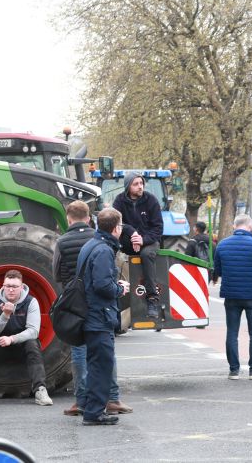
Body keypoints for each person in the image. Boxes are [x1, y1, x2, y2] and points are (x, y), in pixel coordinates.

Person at [52, 200, 132, 417]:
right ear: (89, 219)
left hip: (76, 304)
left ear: (68, 218)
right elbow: (104, 282)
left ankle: (81, 400)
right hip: (98, 307)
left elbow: (56, 273)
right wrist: (118, 289)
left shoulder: (63, 241)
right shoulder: (101, 246)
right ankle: (111, 398)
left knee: (81, 354)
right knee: (104, 357)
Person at [0, 269, 53, 406]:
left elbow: (33, 331)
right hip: (0, 345)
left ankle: (40, 390)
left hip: (21, 345)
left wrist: (12, 339)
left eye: (14, 287)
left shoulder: (31, 302)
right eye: (8, 286)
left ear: (21, 287)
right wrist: (5, 315)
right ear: (3, 286)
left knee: (32, 343)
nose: (11, 290)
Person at [78, 207, 130, 426]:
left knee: (95, 364)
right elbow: (101, 286)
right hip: (99, 316)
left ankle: (91, 408)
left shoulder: (90, 245)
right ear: (116, 228)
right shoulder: (104, 250)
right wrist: (120, 289)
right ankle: (94, 413)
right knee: (102, 365)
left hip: (91, 314)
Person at [213, 215, 252, 380]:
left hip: (231, 295)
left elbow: (218, 271)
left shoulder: (222, 245)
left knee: (232, 332)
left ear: (234, 226)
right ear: (250, 227)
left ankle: (234, 370)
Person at [113, 172, 163, 318]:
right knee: (109, 251)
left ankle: (152, 299)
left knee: (146, 254)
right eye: (136, 184)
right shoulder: (119, 201)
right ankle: (115, 299)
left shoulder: (151, 200)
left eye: (141, 183)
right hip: (127, 240)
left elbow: (158, 228)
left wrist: (142, 240)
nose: (140, 187)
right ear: (128, 186)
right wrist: (133, 233)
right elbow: (117, 222)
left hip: (148, 241)